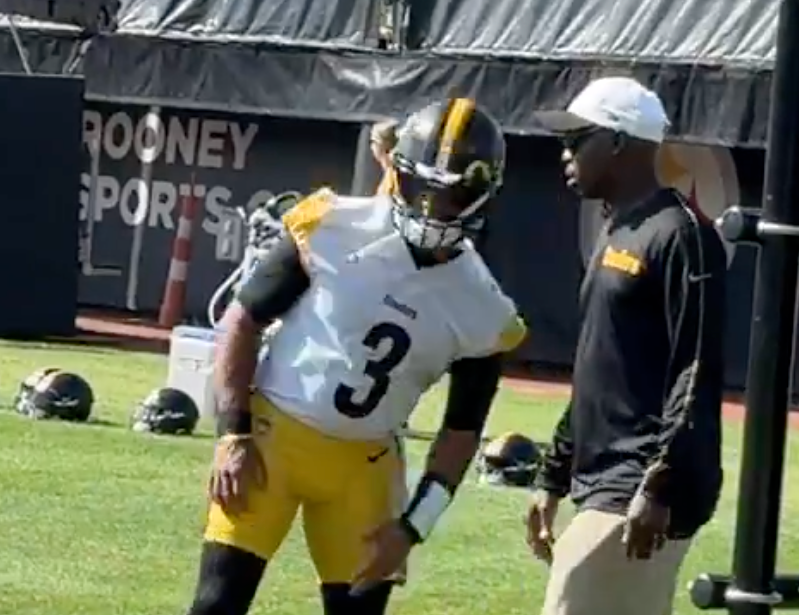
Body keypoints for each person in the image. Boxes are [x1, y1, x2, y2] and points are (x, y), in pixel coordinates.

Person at [186, 97, 526, 615]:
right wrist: (232, 433)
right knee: (215, 606)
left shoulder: (484, 307)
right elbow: (243, 320)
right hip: (271, 442)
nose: (432, 207)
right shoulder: (332, 224)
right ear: (397, 173)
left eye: (451, 194)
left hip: (364, 468)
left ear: (482, 196)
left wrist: (415, 527)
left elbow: (461, 433)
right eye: (423, 188)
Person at [527, 76, 729, 615]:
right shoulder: (617, 231)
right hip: (607, 484)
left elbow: (697, 367)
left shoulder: (681, 234)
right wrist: (554, 475)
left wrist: (660, 485)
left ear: (618, 141)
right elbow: (599, 370)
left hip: (639, 484)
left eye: (578, 139)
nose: (565, 153)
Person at [370, 119, 399, 197]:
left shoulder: (391, 174)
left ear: (381, 145)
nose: (371, 146)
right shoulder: (391, 171)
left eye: (373, 141)